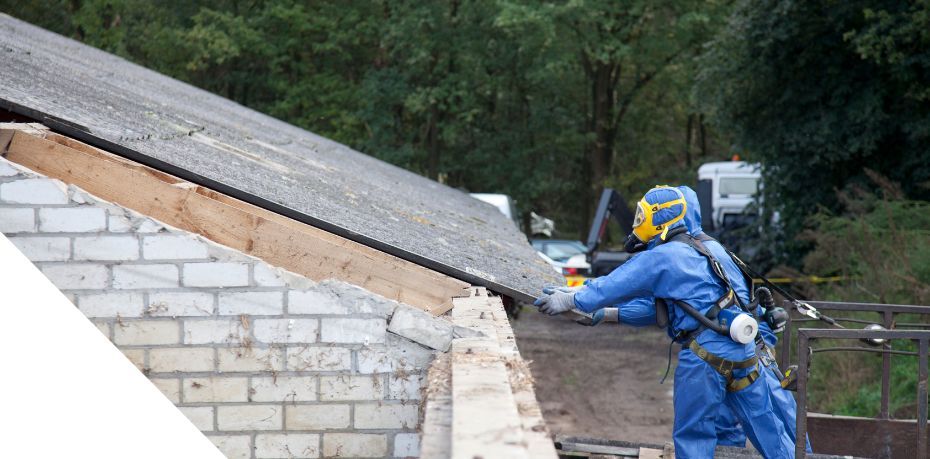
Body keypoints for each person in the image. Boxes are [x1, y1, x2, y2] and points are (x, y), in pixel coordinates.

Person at [534, 185, 795, 458]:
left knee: (694, 438)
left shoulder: (661, 257)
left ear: (657, 218)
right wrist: (610, 313)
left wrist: (569, 299)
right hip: (745, 354)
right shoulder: (713, 248)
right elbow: (669, 309)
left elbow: (609, 288)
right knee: (771, 433)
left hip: (704, 360)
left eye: (642, 216)